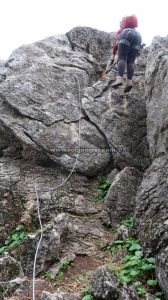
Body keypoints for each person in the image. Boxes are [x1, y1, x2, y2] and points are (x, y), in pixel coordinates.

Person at [111, 15, 142, 93]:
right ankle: (129, 82)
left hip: (127, 34)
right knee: (131, 62)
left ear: (124, 22)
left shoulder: (122, 30)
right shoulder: (136, 31)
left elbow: (115, 44)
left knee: (122, 58)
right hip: (138, 37)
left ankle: (119, 79)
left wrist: (113, 55)